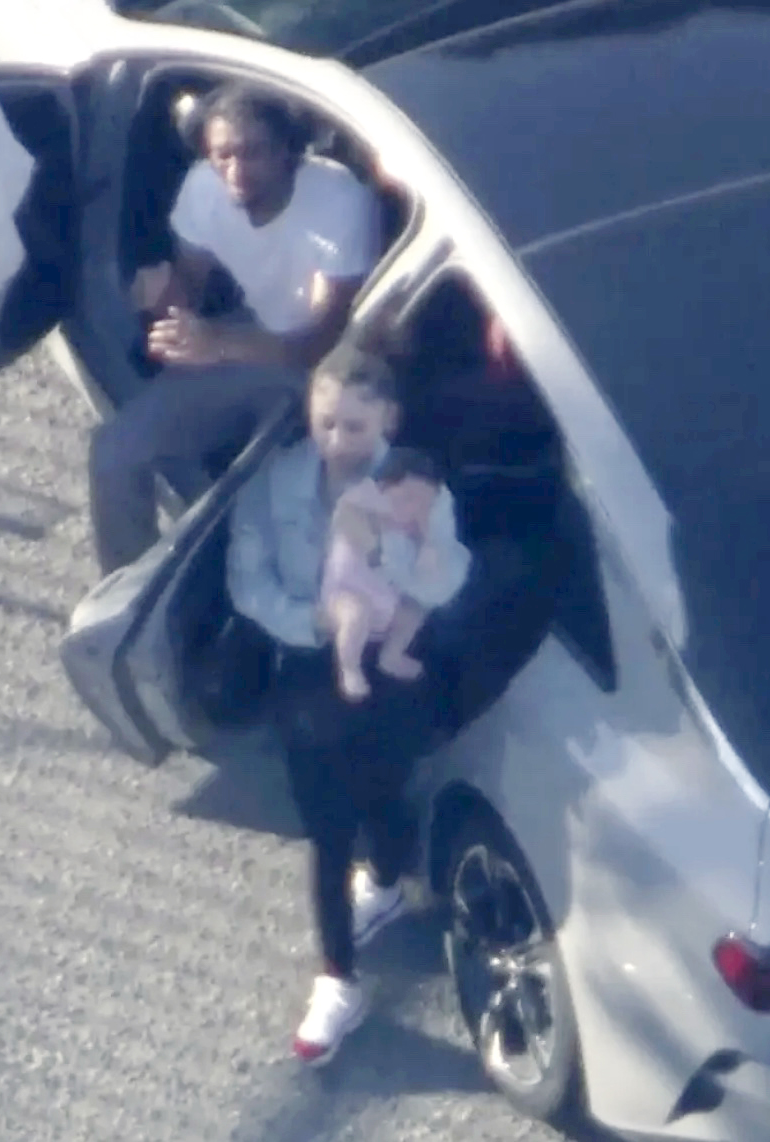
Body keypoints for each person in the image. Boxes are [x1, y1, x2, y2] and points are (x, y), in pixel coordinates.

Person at [225, 343, 471, 1065]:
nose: (337, 442)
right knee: (328, 828)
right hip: (309, 664)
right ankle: (338, 978)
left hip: (392, 667)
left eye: (355, 428)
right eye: (326, 422)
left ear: (388, 421)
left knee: (385, 798)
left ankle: (389, 882)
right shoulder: (276, 482)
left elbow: (449, 573)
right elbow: (248, 577)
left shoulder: (418, 488)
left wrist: (391, 566)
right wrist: (314, 620)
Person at [89, 86, 383, 575]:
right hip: (250, 344)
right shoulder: (205, 189)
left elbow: (321, 342)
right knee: (115, 451)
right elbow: (191, 289)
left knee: (284, 518)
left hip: (336, 371)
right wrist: (165, 301)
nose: (236, 171)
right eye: (223, 154)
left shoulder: (338, 201)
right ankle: (128, 590)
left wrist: (218, 344)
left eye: (254, 153)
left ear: (289, 150)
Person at [322, 447, 456, 701]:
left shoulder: (415, 517)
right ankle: (350, 668)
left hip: (387, 596)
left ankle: (391, 655)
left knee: (416, 609)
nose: (413, 509)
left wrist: (428, 550)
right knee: (355, 614)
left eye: (424, 503)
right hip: (347, 590)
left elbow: (426, 537)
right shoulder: (361, 501)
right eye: (407, 498)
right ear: (382, 486)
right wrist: (373, 545)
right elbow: (344, 516)